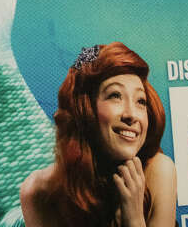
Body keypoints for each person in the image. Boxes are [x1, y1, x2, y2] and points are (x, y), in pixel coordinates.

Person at [19, 42, 177, 227]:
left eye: (140, 101)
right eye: (115, 95)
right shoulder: (38, 192)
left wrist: (134, 220)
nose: (131, 115)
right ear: (84, 109)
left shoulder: (159, 172)